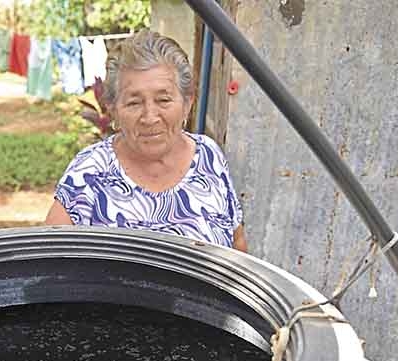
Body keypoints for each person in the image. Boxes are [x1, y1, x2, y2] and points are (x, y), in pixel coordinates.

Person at [45, 30, 248, 252]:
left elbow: (237, 245)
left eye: (163, 100)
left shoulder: (209, 156)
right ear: (113, 110)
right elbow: (48, 262)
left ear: (187, 104)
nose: (150, 117)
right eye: (133, 103)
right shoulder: (89, 172)